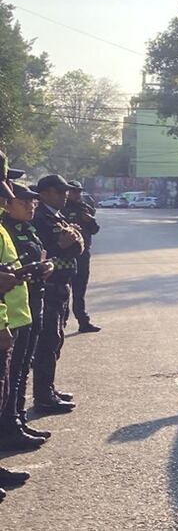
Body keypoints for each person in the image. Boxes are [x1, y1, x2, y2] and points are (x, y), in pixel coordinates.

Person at [0, 182, 53, 449]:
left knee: (18, 372)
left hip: (23, 308)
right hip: (9, 314)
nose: (31, 206)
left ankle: (16, 421)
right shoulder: (6, 228)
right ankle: (9, 429)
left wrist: (44, 266)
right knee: (9, 378)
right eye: (23, 202)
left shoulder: (23, 229)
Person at [31, 175, 83, 415]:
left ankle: (48, 388)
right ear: (44, 194)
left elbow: (77, 248)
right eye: (59, 192)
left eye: (65, 192)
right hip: (49, 286)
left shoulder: (57, 216)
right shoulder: (39, 218)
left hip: (62, 284)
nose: (64, 196)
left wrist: (71, 243)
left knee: (56, 339)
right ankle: (43, 396)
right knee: (48, 342)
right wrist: (62, 245)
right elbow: (40, 253)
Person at [63, 180, 100, 333]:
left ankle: (83, 321)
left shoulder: (84, 207)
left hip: (83, 254)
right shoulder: (61, 208)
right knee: (64, 289)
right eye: (73, 191)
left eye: (79, 191)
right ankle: (61, 322)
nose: (77, 194)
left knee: (80, 290)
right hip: (65, 255)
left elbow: (95, 229)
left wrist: (89, 220)